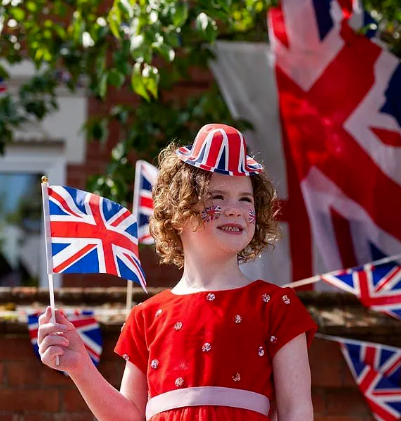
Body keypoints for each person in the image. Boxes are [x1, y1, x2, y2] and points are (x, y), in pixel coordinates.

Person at [37, 124, 318, 421]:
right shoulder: (145, 317)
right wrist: (80, 365)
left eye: (245, 199)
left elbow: (296, 411)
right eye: (217, 197)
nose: (234, 209)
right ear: (178, 214)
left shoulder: (277, 307)